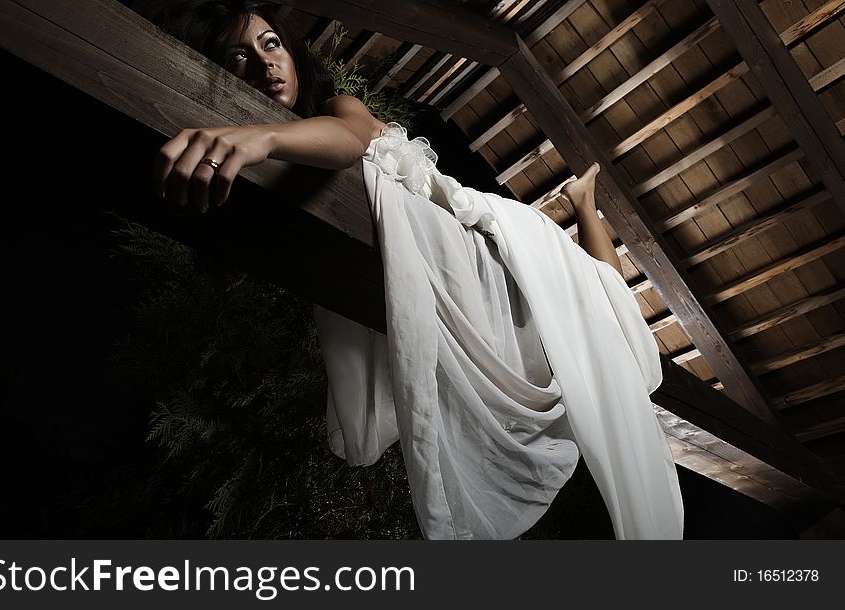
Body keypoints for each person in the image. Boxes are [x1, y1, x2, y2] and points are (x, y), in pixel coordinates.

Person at [135, 0, 683, 540]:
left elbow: (350, 142)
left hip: (495, 229)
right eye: (239, 56)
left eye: (271, 43)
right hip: (442, 253)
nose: (265, 62)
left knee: (611, 309)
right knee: (608, 320)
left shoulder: (337, 106)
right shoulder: (261, 174)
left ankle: (584, 202)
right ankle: (583, 202)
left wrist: (263, 137)